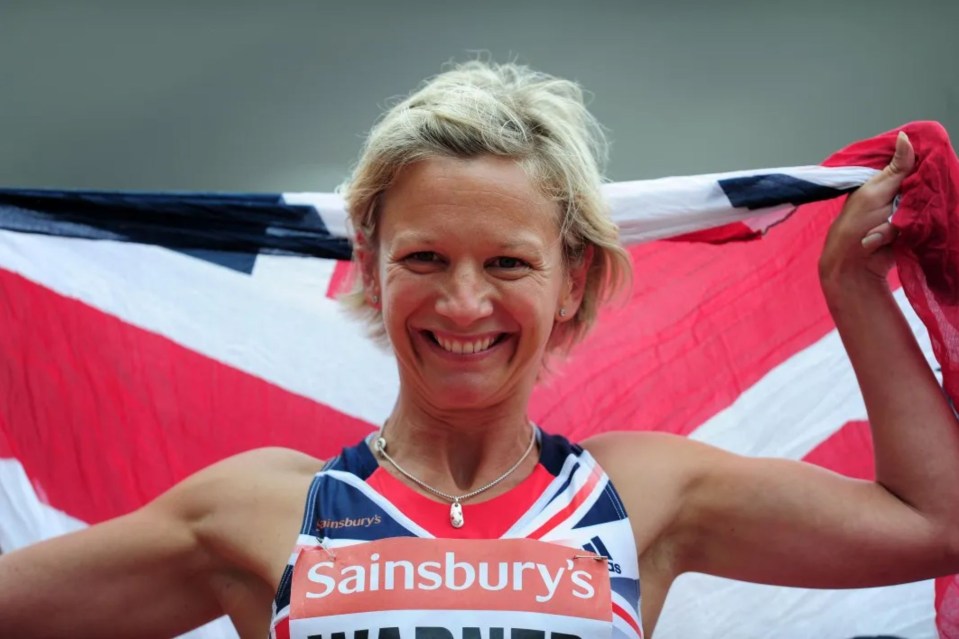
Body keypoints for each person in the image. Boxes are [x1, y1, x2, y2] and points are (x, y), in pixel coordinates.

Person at [1, 61, 957, 639]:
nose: (464, 302)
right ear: (368, 268)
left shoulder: (645, 494)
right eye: (424, 257)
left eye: (507, 261)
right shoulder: (259, 509)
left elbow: (933, 525)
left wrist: (851, 289)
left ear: (572, 278)